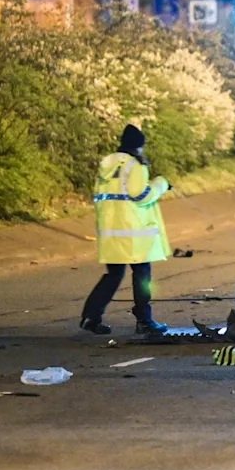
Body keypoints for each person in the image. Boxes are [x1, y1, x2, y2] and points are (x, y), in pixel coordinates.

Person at [81, 124, 172, 336]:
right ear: (139, 146)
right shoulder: (136, 165)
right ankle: (144, 320)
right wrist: (161, 184)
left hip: (111, 231)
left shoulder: (107, 165)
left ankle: (91, 316)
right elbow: (139, 195)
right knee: (142, 275)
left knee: (113, 275)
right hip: (133, 233)